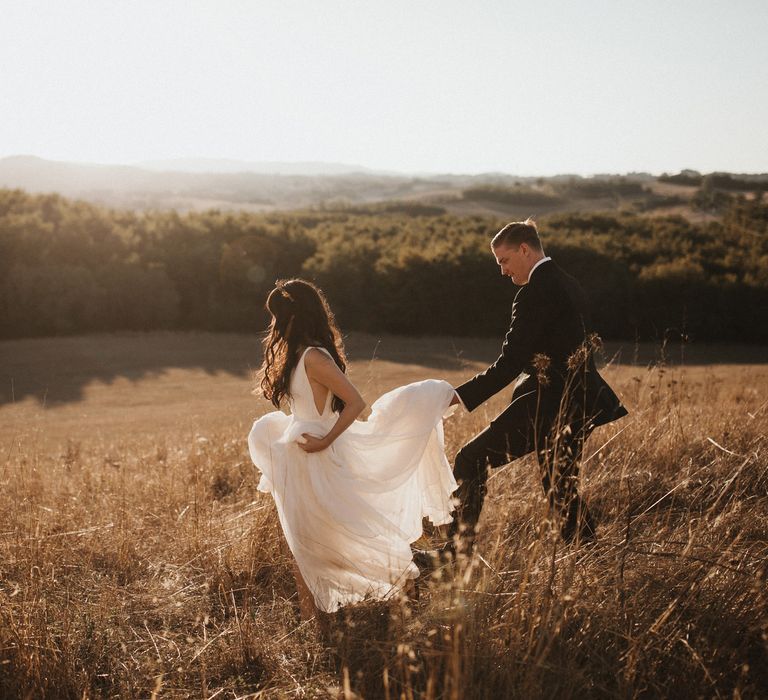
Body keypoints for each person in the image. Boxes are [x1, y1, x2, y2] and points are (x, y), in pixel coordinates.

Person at [247, 278, 457, 619]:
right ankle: (317, 624)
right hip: (300, 456)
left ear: (294, 316)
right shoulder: (297, 357)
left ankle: (410, 592)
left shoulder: (315, 357)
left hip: (322, 454)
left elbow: (355, 402)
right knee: (304, 545)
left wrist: (325, 441)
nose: (275, 325)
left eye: (279, 316)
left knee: (338, 539)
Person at [444, 219, 628, 556]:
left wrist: (458, 396)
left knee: (470, 460)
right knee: (560, 484)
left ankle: (455, 554)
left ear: (525, 250)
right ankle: (588, 554)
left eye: (504, 260)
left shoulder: (532, 294)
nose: (502, 271)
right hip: (581, 398)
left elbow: (510, 362)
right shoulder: (570, 283)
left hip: (547, 401)